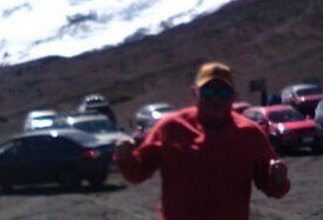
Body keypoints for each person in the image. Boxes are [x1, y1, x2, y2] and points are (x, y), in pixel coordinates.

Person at [114, 61, 290, 219]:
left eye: (222, 92)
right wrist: (125, 156)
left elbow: (272, 186)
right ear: (195, 93)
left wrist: (278, 178)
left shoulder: (250, 134)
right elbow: (137, 172)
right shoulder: (170, 127)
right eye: (208, 90)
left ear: (233, 96)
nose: (215, 98)